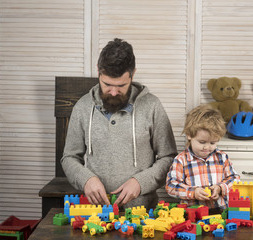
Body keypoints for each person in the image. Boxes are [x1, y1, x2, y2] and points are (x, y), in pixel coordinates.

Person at [61, 38, 177, 209]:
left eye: (121, 85)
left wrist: (140, 182)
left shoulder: (152, 106)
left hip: (143, 213)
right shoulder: (83, 107)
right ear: (98, 72)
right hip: (95, 213)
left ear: (133, 74)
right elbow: (69, 158)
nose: (114, 92)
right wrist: (86, 180)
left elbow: (169, 157)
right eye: (107, 84)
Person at [165, 104, 239, 210]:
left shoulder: (222, 157)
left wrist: (220, 188)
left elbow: (235, 179)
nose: (207, 147)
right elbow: (171, 186)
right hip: (193, 216)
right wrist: (193, 192)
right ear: (189, 135)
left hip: (220, 212)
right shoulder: (181, 160)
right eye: (202, 142)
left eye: (213, 142)